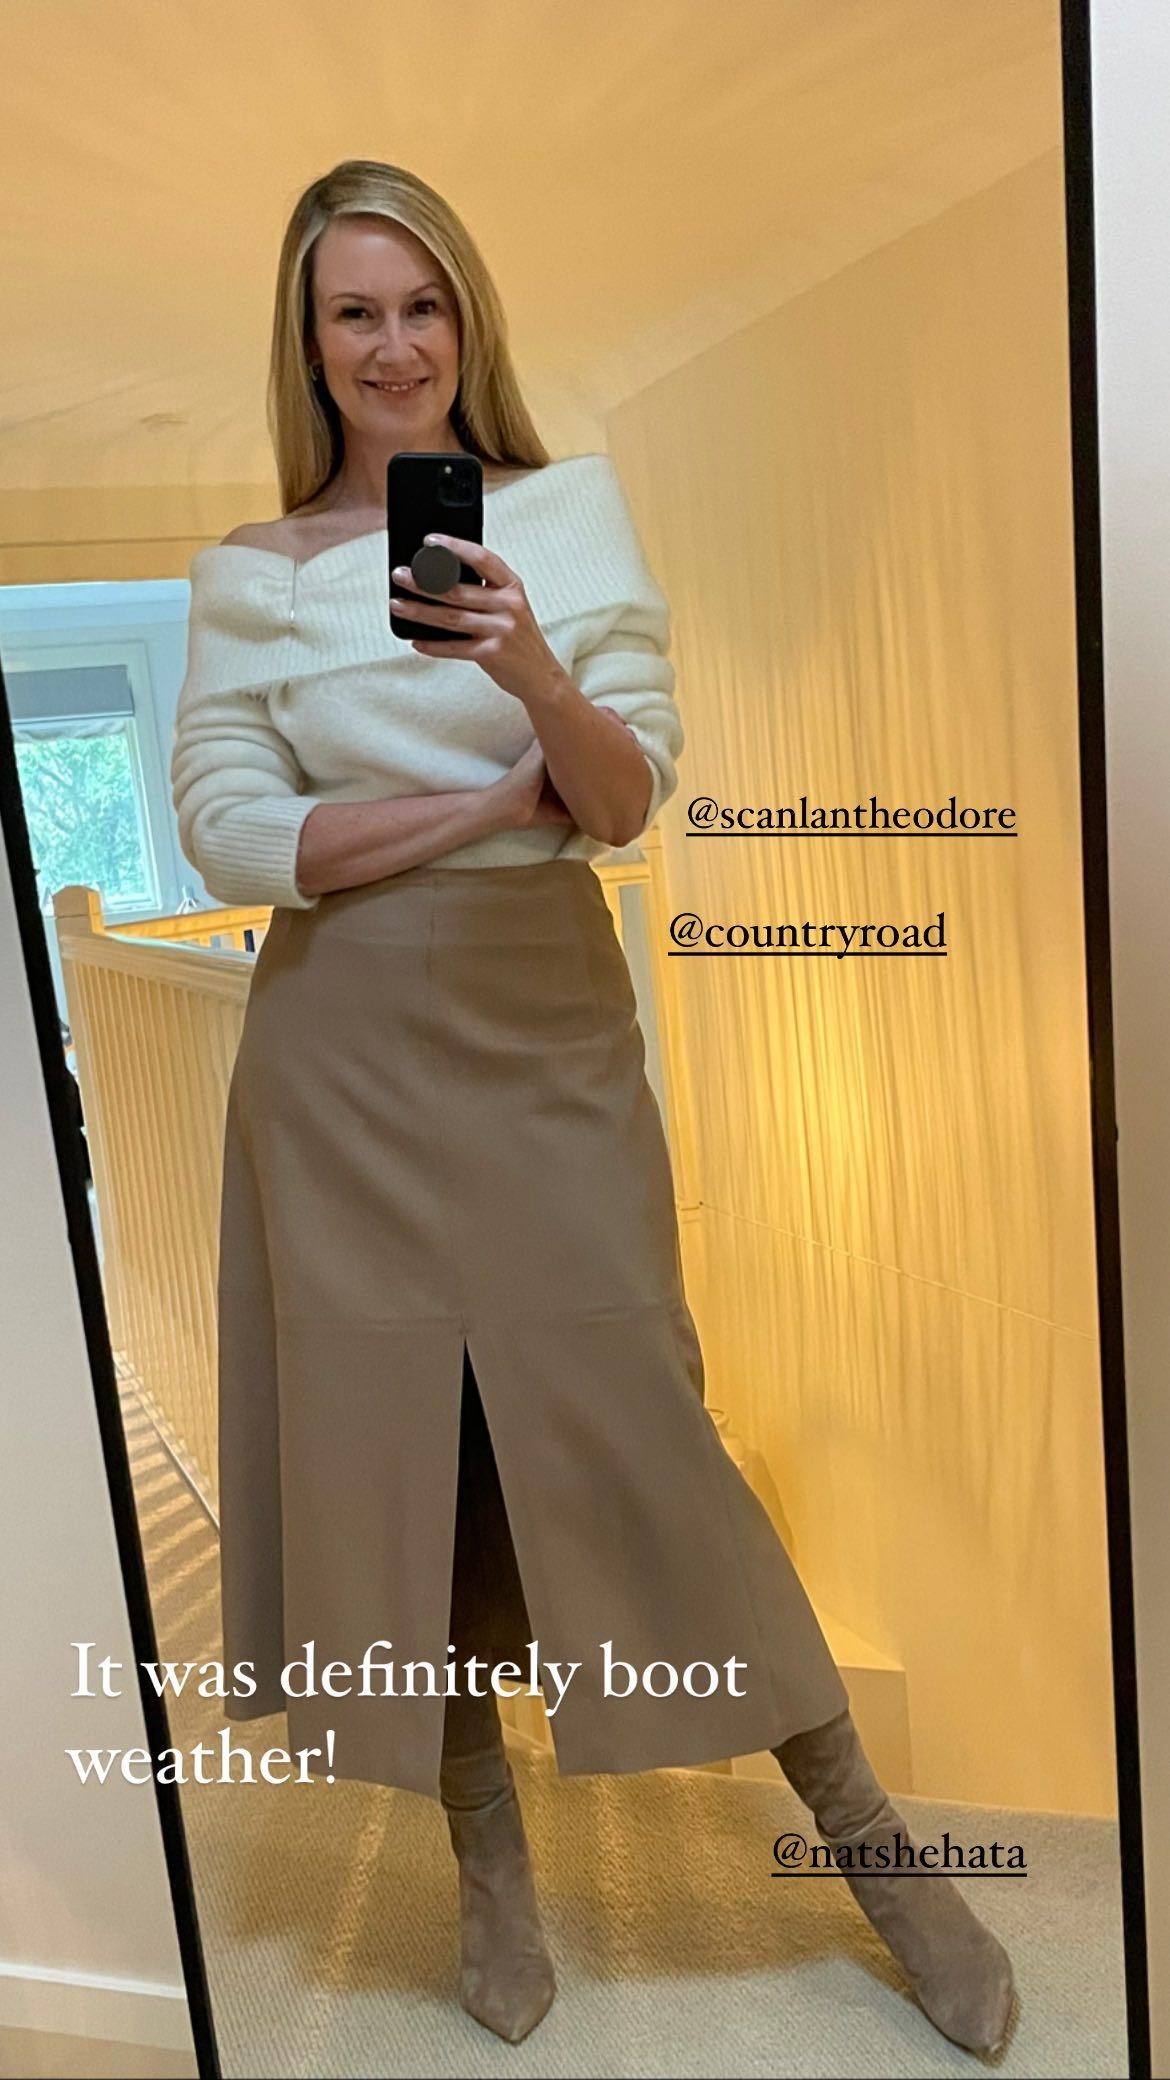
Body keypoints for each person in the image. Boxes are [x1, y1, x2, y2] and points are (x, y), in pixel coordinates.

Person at [170, 158, 1015, 2054]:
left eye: (421, 305)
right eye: (353, 312)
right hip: (337, 1054)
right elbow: (230, 832)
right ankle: (487, 1853)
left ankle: (879, 1851)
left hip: (546, 1022)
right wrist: (488, 803)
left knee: (641, 1421)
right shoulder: (249, 572)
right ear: (308, 340)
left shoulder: (565, 512)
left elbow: (624, 799)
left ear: (467, 316)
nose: (393, 345)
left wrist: (530, 661)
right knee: (403, 1448)